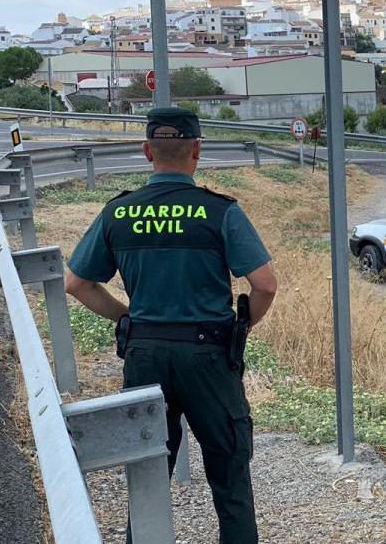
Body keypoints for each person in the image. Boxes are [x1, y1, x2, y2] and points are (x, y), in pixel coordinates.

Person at [65, 107, 277, 543]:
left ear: (147, 152)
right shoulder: (219, 212)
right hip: (210, 358)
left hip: (144, 358)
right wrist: (242, 328)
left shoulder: (118, 213)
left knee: (147, 479)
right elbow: (265, 286)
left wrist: (127, 317)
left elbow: (77, 284)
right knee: (230, 480)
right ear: (197, 151)